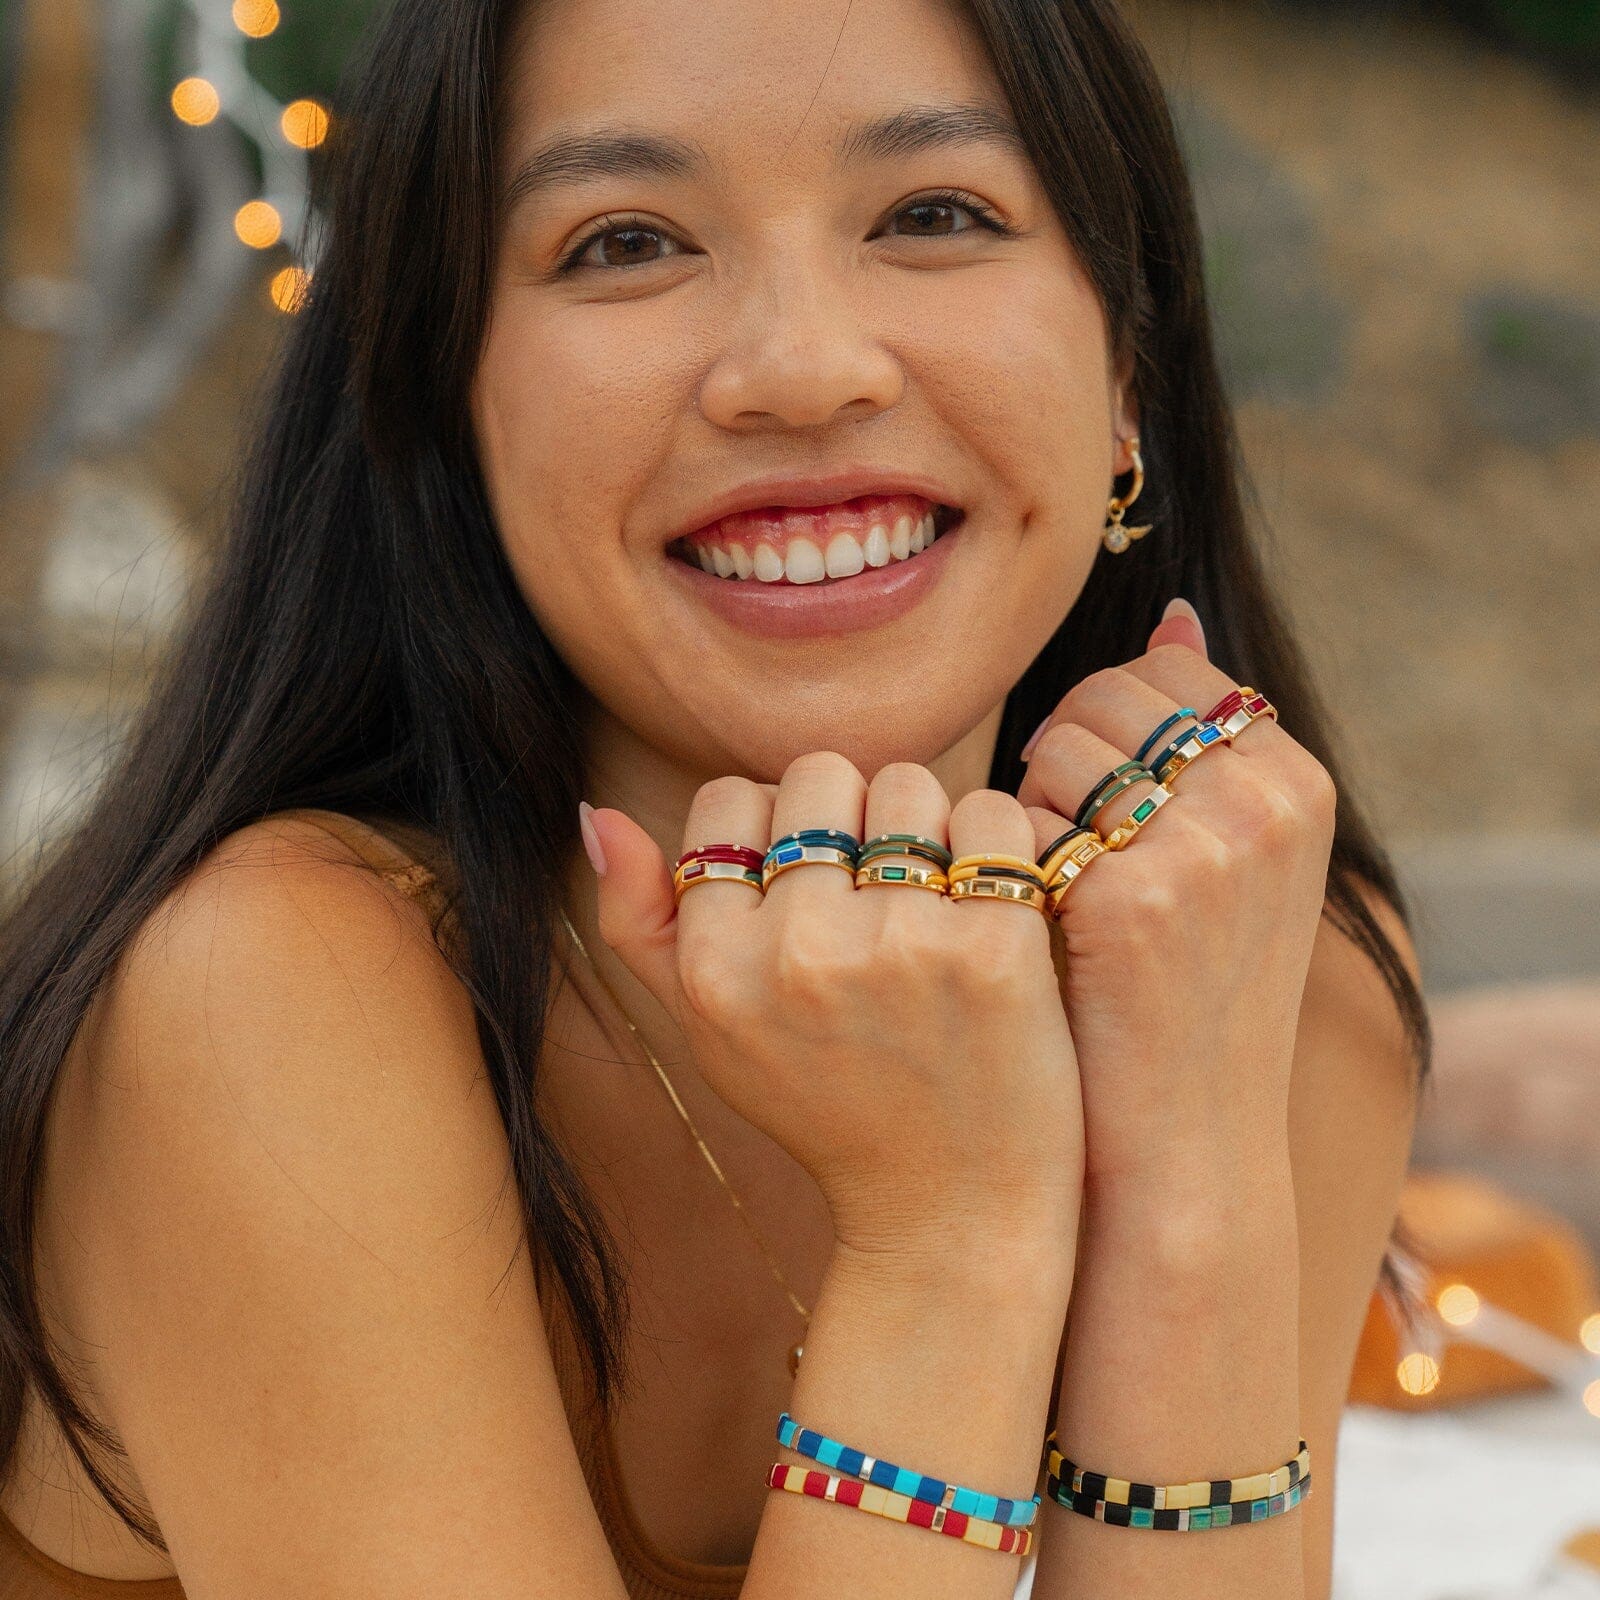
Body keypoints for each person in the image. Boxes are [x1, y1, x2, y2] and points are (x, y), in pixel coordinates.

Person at [0, 0, 1429, 1595]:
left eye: (934, 216)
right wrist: (949, 1235)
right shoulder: (272, 997)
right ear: (446, 403)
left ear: (1128, 379)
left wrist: (1186, 1173)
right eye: (625, 243)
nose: (803, 371)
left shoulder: (1261, 974)